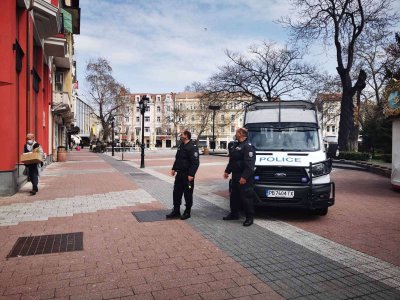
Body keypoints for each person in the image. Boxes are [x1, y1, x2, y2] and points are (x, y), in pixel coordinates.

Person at [223, 128, 256, 227]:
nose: (235, 134)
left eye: (237, 132)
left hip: (244, 177)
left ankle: (249, 218)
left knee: (246, 198)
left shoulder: (248, 146)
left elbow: (250, 165)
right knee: (234, 197)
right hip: (236, 175)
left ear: (241, 134)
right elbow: (232, 160)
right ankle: (234, 214)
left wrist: (244, 177)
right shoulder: (237, 145)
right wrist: (227, 171)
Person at [166, 130, 200, 220]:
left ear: (186, 136)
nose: (180, 135)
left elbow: (195, 163)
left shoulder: (192, 147)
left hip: (188, 175)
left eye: (182, 134)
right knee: (176, 192)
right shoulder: (181, 145)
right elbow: (177, 159)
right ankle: (176, 210)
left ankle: (187, 211)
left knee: (188, 193)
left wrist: (191, 174)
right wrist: (174, 168)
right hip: (180, 174)